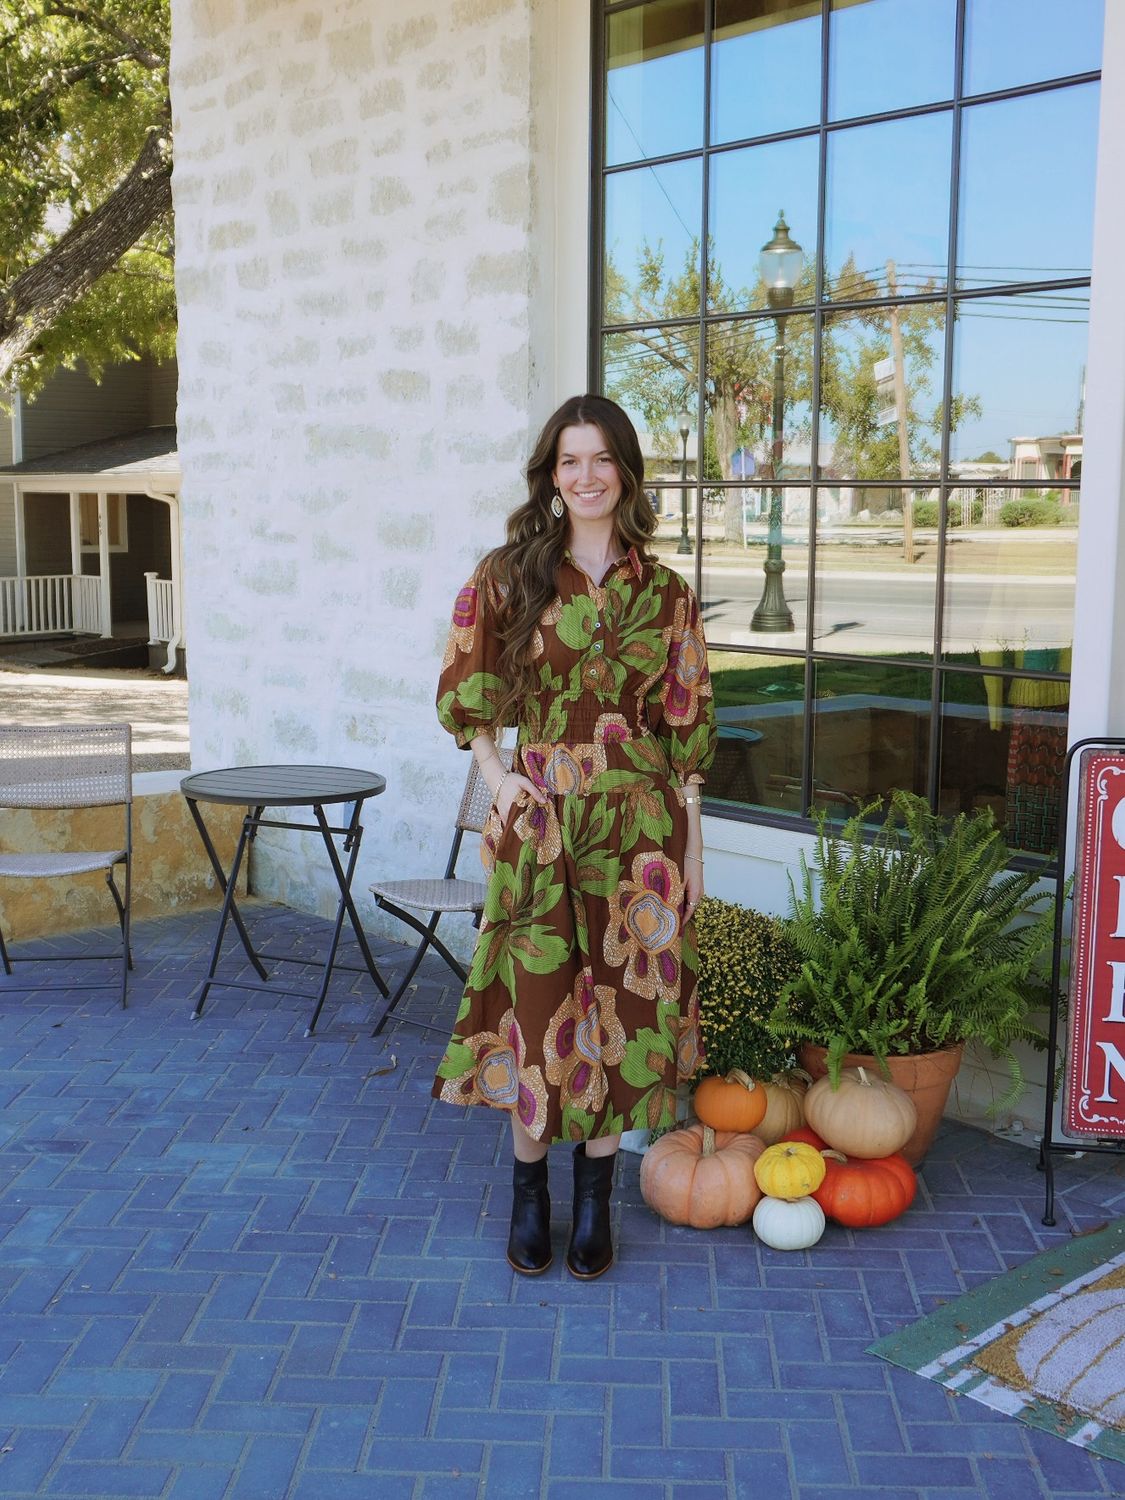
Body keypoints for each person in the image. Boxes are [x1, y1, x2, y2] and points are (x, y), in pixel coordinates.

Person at [433, 393, 716, 1279]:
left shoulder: (666, 593)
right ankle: (530, 1193)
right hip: (543, 823)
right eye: (569, 460)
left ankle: (596, 1199)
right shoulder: (509, 575)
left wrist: (691, 850)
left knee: (623, 1012)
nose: (585, 476)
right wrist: (498, 780)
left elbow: (687, 728)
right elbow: (469, 694)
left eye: (601, 459)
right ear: (551, 476)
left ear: (624, 472)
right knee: (538, 1005)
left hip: (641, 829)